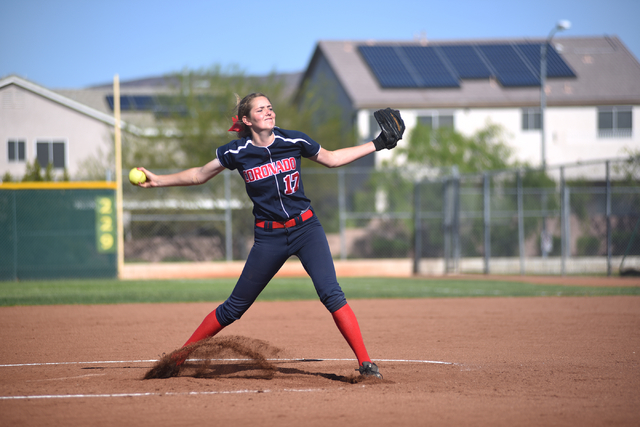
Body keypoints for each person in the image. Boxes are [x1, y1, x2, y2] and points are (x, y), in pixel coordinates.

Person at [136, 92, 404, 379]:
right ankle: (178, 358)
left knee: (332, 294)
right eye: (260, 109)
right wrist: (158, 181)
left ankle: (366, 364)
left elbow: (333, 159)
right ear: (246, 119)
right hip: (269, 238)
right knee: (233, 309)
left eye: (270, 108)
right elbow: (199, 175)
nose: (268, 112)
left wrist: (377, 144)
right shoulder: (236, 152)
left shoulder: (293, 140)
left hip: (306, 229)